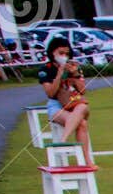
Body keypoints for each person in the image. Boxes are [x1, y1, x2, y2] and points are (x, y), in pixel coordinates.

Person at [38, 35, 92, 164]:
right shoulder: (46, 70)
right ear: (53, 52)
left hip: (74, 102)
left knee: (83, 106)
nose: (64, 56)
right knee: (82, 124)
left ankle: (63, 140)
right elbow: (50, 93)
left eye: (66, 54)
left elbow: (82, 90)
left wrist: (75, 74)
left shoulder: (74, 66)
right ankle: (86, 160)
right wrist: (59, 74)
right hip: (56, 105)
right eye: (60, 53)